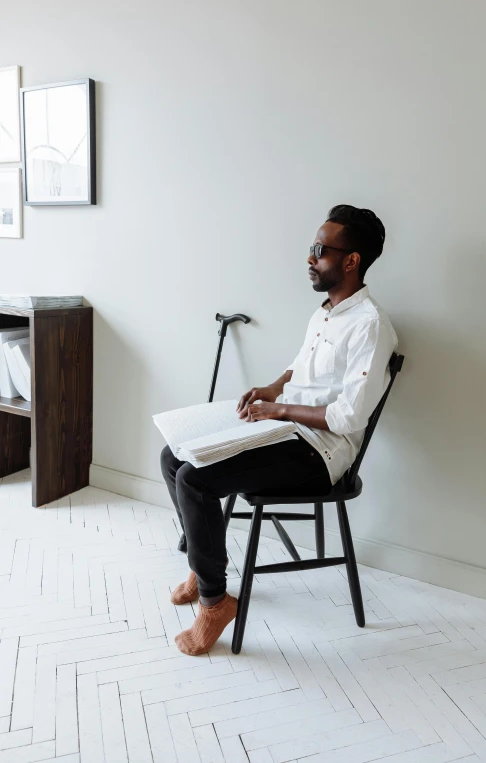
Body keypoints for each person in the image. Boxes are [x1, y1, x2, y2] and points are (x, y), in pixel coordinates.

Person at [161, 204, 398, 655]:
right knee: (172, 456)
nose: (310, 258)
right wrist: (271, 389)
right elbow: (302, 367)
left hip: (320, 455)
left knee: (196, 478)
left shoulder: (370, 327)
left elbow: (350, 417)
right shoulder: (325, 313)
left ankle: (214, 602)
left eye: (320, 250)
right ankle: (204, 561)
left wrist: (279, 410)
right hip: (287, 434)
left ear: (351, 260)